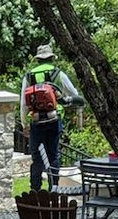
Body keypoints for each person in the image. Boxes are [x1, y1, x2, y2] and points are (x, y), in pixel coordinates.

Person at [20, 43, 81, 192]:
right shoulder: (58, 74)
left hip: (36, 121)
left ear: (38, 59)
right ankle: (53, 189)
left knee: (37, 158)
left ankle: (35, 191)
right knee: (53, 156)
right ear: (51, 58)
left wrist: (24, 124)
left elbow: (23, 102)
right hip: (54, 121)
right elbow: (74, 94)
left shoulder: (29, 75)